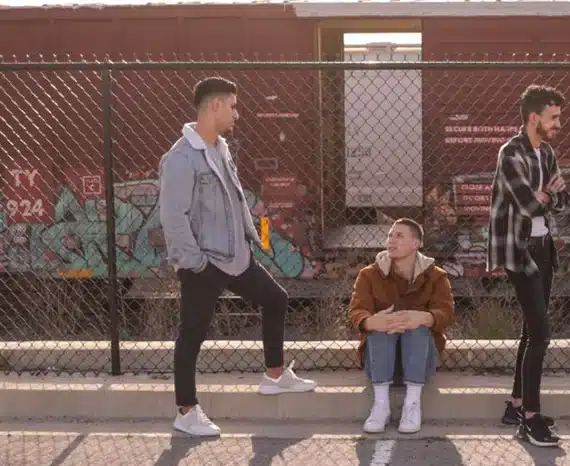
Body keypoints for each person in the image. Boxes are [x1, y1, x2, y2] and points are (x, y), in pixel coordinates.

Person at [159, 76, 317, 437]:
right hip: (205, 262)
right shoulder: (181, 158)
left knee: (276, 299)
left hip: (235, 255)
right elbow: (172, 217)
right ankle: (186, 411)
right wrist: (196, 263)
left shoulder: (221, 148)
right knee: (192, 333)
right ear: (214, 106)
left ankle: (274, 375)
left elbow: (233, 196)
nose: (237, 113)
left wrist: (251, 236)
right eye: (232, 105)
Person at [486, 84, 569, 448]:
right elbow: (528, 205)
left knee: (531, 331)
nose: (558, 124)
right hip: (519, 251)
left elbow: (561, 200)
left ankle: (516, 405)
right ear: (534, 117)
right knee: (541, 333)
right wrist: (548, 194)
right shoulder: (511, 152)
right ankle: (530, 421)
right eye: (554, 117)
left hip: (544, 248)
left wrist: (548, 195)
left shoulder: (546, 152)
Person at [348, 218, 455, 434]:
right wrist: (370, 321)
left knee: (416, 327)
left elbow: (446, 311)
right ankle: (381, 406)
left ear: (416, 243)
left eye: (399, 235)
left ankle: (412, 405)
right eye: (390, 235)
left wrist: (425, 318)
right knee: (381, 327)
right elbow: (356, 310)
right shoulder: (368, 274)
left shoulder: (436, 276)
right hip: (378, 363)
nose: (391, 240)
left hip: (421, 363)